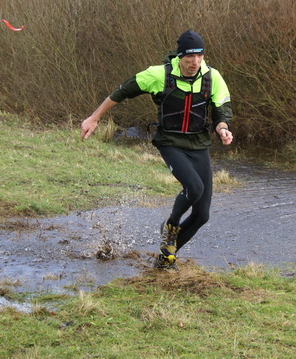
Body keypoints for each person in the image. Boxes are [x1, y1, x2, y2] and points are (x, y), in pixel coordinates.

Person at [81, 30, 233, 268]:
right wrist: (94, 117)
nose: (195, 62)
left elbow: (222, 110)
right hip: (170, 142)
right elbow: (121, 92)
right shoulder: (158, 75)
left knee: (202, 215)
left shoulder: (212, 78)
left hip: (198, 144)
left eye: (200, 56)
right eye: (190, 57)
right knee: (194, 187)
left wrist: (222, 128)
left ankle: (165, 257)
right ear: (180, 56)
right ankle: (171, 226)